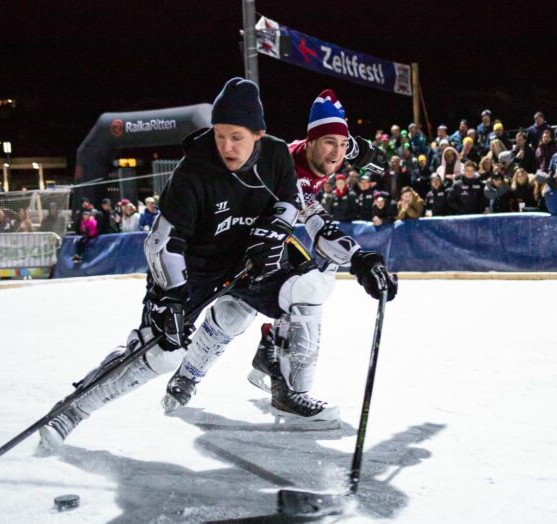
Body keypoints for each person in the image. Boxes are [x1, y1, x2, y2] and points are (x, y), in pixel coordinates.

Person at [39, 78, 397, 448]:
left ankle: (288, 388)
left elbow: (290, 201)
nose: (227, 146)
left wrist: (277, 232)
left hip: (247, 254)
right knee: (161, 353)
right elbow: (163, 240)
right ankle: (72, 410)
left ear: (258, 135)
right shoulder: (193, 171)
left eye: (237, 137)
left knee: (308, 288)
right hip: (193, 265)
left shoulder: (278, 155)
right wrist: (171, 297)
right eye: (220, 135)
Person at [164, 87, 392, 415]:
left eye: (342, 145)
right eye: (330, 144)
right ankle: (275, 379)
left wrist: (361, 150)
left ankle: (256, 356)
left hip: (265, 232)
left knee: (294, 290)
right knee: (266, 301)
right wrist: (360, 259)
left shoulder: (330, 148)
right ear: (310, 143)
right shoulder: (289, 171)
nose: (337, 155)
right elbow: (318, 225)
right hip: (228, 236)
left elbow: (344, 143)